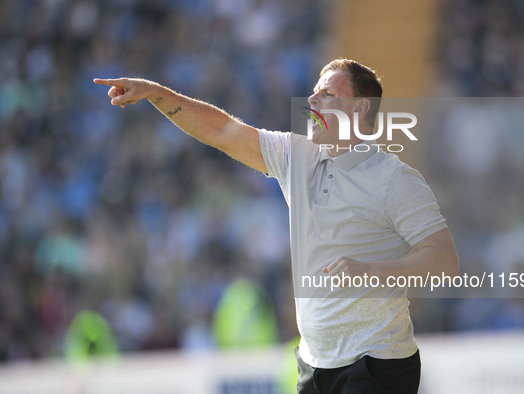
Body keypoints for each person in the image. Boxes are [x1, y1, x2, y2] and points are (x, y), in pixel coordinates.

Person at [94, 58, 459, 394]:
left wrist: (371, 271)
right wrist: (155, 92)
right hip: (314, 366)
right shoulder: (296, 157)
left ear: (361, 108)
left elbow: (444, 262)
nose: (312, 100)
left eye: (327, 94)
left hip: (377, 364)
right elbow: (221, 130)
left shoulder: (395, 179)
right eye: (314, 92)